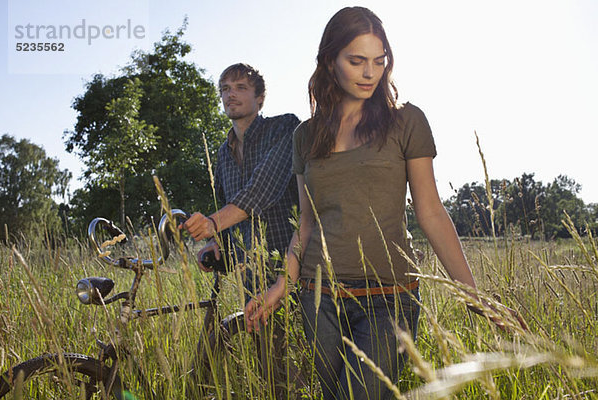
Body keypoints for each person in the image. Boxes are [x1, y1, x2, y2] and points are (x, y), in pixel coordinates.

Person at [244, 7, 525, 400]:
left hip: (388, 297)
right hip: (317, 296)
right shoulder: (305, 137)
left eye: (379, 61)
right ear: (330, 61)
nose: (369, 73)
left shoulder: (405, 122)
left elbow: (430, 212)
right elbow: (306, 225)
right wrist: (280, 286)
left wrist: (474, 296)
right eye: (356, 61)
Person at [182, 63, 300, 293]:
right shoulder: (223, 153)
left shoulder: (285, 127)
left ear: (260, 99)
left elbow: (263, 188)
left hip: (293, 272)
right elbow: (226, 207)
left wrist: (212, 223)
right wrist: (216, 241)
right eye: (225, 89)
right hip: (251, 279)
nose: (230, 94)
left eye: (240, 87)